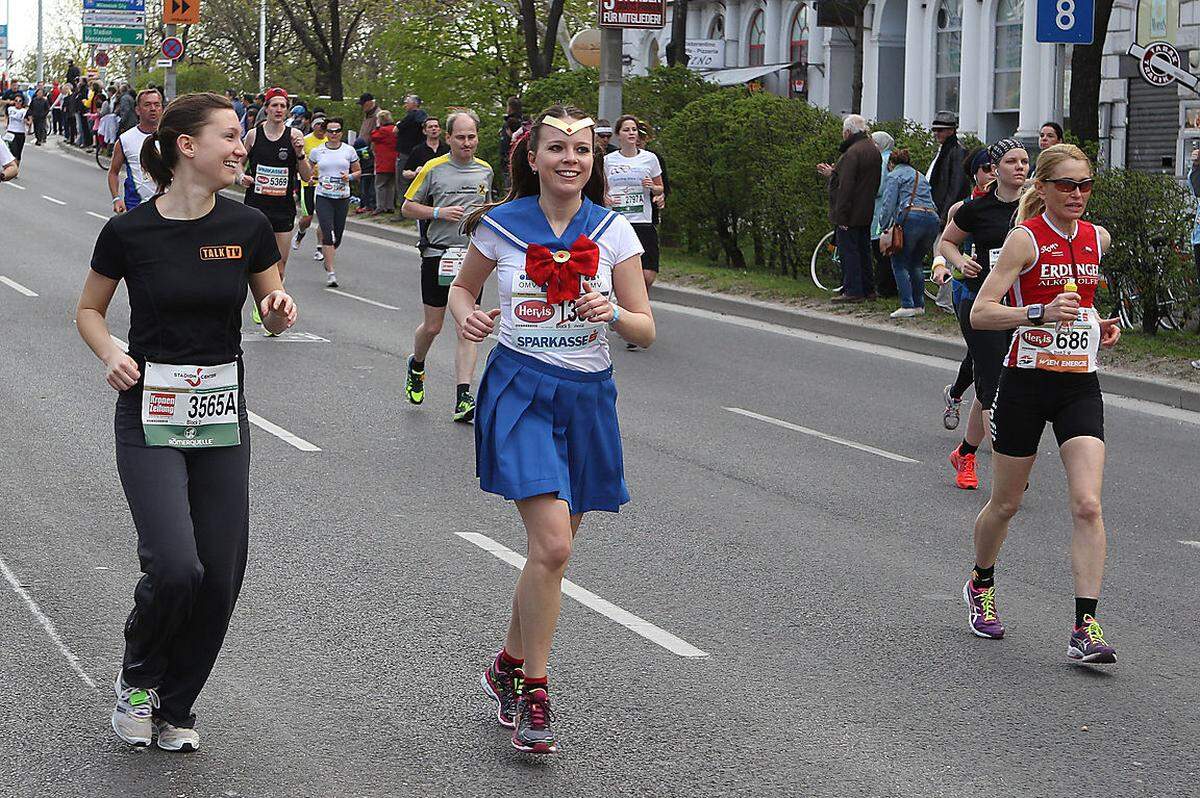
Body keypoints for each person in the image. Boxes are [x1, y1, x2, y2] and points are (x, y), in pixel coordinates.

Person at [75, 91, 297, 752]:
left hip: (221, 412)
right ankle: (138, 679)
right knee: (176, 564)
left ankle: (176, 706)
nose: (242, 147)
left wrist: (280, 311)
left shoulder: (247, 226)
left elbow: (273, 306)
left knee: (221, 574)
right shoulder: (128, 232)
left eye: (243, 137)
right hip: (149, 411)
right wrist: (112, 351)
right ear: (186, 147)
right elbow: (88, 310)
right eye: (230, 136)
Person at [450, 104, 654, 754]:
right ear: (532, 158)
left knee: (549, 554)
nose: (571, 160)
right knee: (556, 548)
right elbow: (461, 289)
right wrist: (469, 316)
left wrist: (616, 312)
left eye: (583, 150)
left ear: (593, 162)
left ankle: (506, 665)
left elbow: (647, 328)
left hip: (588, 398)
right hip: (520, 389)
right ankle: (535, 689)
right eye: (558, 149)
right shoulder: (500, 228)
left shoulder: (615, 231)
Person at [962, 143, 1121, 663]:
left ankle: (1085, 626)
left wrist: (1099, 327)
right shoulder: (1023, 241)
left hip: (1079, 382)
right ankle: (981, 583)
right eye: (1067, 185)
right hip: (1027, 382)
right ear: (1046, 188)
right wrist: (1038, 312)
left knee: (1089, 504)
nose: (1077, 195)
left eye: (1085, 185)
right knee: (1005, 503)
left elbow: (1085, 306)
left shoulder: (1098, 238)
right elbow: (982, 314)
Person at [935, 140, 1028, 490]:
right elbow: (947, 242)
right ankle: (1008, 471)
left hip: (1019, 306)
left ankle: (966, 452)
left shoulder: (1034, 208)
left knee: (995, 385)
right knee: (993, 384)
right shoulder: (975, 208)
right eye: (1011, 161)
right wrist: (960, 262)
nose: (1019, 167)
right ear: (994, 168)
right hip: (980, 305)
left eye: (1024, 161)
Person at [400, 109, 494, 421]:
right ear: (449, 138)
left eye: (472, 137)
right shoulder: (434, 168)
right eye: (461, 137)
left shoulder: (485, 171)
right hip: (438, 255)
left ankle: (463, 397)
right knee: (434, 325)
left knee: (469, 326)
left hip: (471, 257)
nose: (467, 143)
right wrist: (440, 213)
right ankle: (417, 365)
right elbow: (407, 207)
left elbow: (489, 209)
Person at [935, 148, 996, 431]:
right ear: (975, 173)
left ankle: (957, 393)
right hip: (967, 290)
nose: (993, 172)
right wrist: (944, 265)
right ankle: (993, 428)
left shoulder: (1019, 207)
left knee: (980, 357)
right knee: (982, 357)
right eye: (986, 168)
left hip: (1002, 294)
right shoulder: (963, 208)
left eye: (997, 167)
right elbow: (945, 241)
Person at [238, 87, 311, 299]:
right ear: (266, 108)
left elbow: (306, 176)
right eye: (274, 105)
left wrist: (299, 154)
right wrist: (241, 177)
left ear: (287, 110)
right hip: (255, 206)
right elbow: (237, 164)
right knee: (252, 261)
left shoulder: (294, 136)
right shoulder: (253, 135)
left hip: (283, 208)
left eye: (283, 106)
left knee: (280, 266)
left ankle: (271, 306)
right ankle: (261, 298)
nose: (279, 109)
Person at [604, 115, 664, 315]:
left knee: (647, 275)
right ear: (618, 135)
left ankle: (632, 305)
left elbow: (660, 188)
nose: (631, 133)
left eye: (634, 130)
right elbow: (601, 190)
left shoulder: (650, 158)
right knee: (620, 270)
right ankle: (632, 313)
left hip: (643, 221)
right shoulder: (608, 161)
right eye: (626, 130)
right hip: (618, 222)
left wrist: (654, 188)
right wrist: (605, 199)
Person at [817, 114, 881, 302]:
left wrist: (841, 215)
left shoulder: (852, 153)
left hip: (851, 211)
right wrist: (835, 172)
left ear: (847, 132)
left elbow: (847, 186)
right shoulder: (872, 149)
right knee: (864, 251)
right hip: (866, 208)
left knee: (849, 251)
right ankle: (868, 289)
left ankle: (853, 290)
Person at [878, 149, 939, 317]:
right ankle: (919, 305)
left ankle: (906, 305)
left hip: (911, 217)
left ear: (891, 163)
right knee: (916, 262)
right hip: (932, 218)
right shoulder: (919, 175)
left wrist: (883, 226)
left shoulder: (894, 175)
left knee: (899, 261)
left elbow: (888, 203)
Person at [307, 116, 361, 286]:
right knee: (327, 233)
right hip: (323, 196)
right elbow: (307, 168)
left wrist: (349, 176)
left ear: (341, 133)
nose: (333, 134)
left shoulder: (349, 150)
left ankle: (328, 255)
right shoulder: (318, 151)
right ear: (325, 133)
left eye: (337, 131)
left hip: (342, 197)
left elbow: (359, 171)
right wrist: (308, 177)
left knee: (337, 237)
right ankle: (331, 273)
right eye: (330, 131)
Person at [108, 89, 164, 214]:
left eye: (157, 104)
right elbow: (113, 172)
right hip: (136, 206)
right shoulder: (125, 139)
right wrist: (116, 199)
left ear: (162, 108)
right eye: (147, 105)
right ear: (138, 110)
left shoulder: (172, 137)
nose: (153, 108)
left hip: (169, 206)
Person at [292, 113, 327, 260]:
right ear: (313, 125)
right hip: (308, 183)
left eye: (324, 125)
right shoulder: (306, 141)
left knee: (324, 218)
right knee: (307, 218)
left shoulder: (330, 141)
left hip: (325, 184)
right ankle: (300, 233)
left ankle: (319, 248)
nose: (321, 127)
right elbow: (297, 160)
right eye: (318, 124)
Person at [927, 111, 971, 224]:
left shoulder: (958, 152)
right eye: (934, 130)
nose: (936, 133)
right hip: (937, 211)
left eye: (940, 130)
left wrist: (944, 216)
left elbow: (956, 187)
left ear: (951, 131)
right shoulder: (943, 151)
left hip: (947, 216)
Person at [870, 130, 898, 298]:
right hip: (893, 210)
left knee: (881, 250)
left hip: (881, 211)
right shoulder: (893, 159)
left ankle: (884, 288)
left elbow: (878, 187)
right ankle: (890, 287)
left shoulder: (882, 160)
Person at [394, 94, 428, 184]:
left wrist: (399, 123)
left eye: (407, 103)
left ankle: (403, 198)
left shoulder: (410, 117)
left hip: (405, 153)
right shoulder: (425, 117)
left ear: (414, 104)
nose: (405, 105)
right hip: (420, 152)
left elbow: (395, 130)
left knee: (402, 181)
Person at [371, 109, 399, 215]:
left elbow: (373, 136)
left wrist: (377, 126)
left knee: (380, 185)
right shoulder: (394, 129)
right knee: (391, 185)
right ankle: (390, 205)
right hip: (394, 160)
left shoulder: (382, 131)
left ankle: (380, 206)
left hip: (383, 162)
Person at [4, 93, 29, 162]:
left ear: (22, 102)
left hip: (20, 133)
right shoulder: (10, 109)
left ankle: (16, 169)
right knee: (12, 152)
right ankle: (12, 168)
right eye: (16, 100)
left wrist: (26, 122)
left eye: (20, 101)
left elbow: (29, 121)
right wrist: (6, 123)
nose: (17, 102)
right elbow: (6, 116)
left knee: (18, 153)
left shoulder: (25, 111)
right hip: (10, 132)